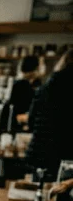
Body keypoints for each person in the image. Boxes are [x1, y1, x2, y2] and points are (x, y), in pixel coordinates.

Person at [26, 50, 73, 179]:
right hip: (67, 155)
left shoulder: (45, 87)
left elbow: (31, 122)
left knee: (39, 193)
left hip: (39, 153)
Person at [7, 56, 41, 130]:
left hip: (29, 122)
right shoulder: (20, 84)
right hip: (20, 124)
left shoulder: (36, 83)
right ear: (35, 68)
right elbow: (15, 107)